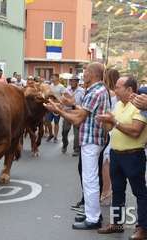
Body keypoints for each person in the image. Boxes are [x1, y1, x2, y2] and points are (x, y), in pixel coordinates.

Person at [44, 62, 110, 230]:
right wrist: (65, 106)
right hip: (94, 139)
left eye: (86, 71)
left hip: (91, 141)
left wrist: (59, 111)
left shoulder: (95, 91)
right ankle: (91, 213)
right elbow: (82, 113)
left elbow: (78, 119)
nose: (83, 74)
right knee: (90, 179)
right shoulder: (98, 90)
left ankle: (93, 218)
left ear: (93, 74)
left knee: (90, 180)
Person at [96, 76, 147, 239]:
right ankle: (117, 224)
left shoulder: (140, 106)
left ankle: (143, 228)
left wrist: (114, 122)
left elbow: (135, 131)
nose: (115, 89)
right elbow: (112, 125)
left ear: (129, 90)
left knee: (140, 193)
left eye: (118, 87)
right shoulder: (117, 104)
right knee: (117, 191)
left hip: (133, 155)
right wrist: (106, 121)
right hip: (116, 155)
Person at [100, 68, 119, 206]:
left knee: (106, 162)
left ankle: (106, 191)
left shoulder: (108, 93)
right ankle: (109, 189)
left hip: (109, 127)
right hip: (115, 127)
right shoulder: (117, 94)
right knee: (110, 161)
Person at [61, 76, 85, 156]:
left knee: (77, 132)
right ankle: (65, 144)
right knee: (65, 131)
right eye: (71, 81)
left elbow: (83, 102)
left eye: (74, 81)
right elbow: (63, 100)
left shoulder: (82, 91)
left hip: (77, 113)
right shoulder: (66, 90)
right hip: (67, 112)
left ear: (77, 82)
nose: (72, 82)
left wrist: (74, 104)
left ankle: (76, 149)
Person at [46, 74, 66, 143]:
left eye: (53, 77)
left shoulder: (61, 87)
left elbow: (63, 98)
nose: (52, 78)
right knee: (47, 121)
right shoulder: (50, 85)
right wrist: (48, 94)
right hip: (50, 105)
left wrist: (55, 96)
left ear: (57, 78)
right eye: (52, 77)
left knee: (56, 122)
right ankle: (51, 134)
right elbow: (48, 94)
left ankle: (55, 137)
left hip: (57, 106)